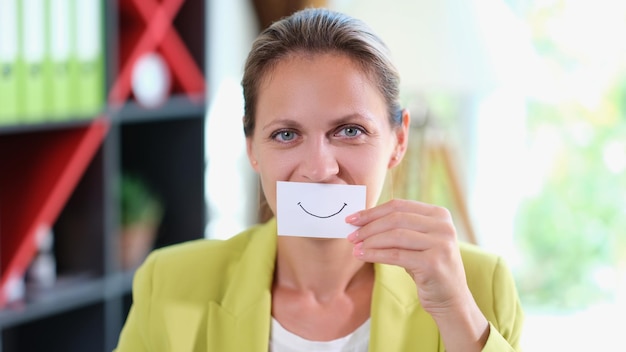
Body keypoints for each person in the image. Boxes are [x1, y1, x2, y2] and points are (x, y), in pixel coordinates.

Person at [115, 7, 524, 352]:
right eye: (286, 134)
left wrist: (458, 316)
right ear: (253, 148)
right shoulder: (169, 284)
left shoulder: (479, 286)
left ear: (398, 140)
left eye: (349, 131)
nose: (319, 168)